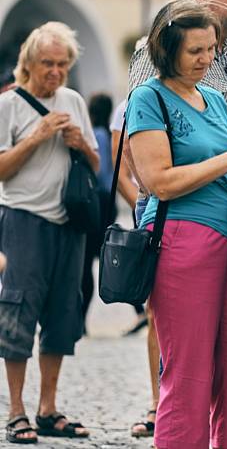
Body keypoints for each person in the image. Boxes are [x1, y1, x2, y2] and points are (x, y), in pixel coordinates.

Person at [124, 0, 227, 443]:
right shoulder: (149, 96)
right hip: (180, 239)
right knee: (188, 376)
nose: (206, 60)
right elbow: (159, 180)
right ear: (166, 50)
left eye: (211, 50)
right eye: (195, 51)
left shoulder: (213, 99)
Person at [0, 21, 99, 443]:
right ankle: (16, 410)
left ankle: (48, 407)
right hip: (24, 220)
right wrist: (37, 137)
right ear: (29, 63)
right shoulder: (9, 105)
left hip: (68, 224)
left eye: (62, 64)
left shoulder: (73, 100)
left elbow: (97, 165)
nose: (55, 72)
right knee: (18, 316)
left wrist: (80, 144)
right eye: (47, 64)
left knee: (62, 317)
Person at [81, 92, 117, 331]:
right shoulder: (108, 134)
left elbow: (99, 172)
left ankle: (80, 320)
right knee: (104, 258)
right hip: (108, 203)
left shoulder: (98, 135)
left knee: (86, 264)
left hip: (97, 202)